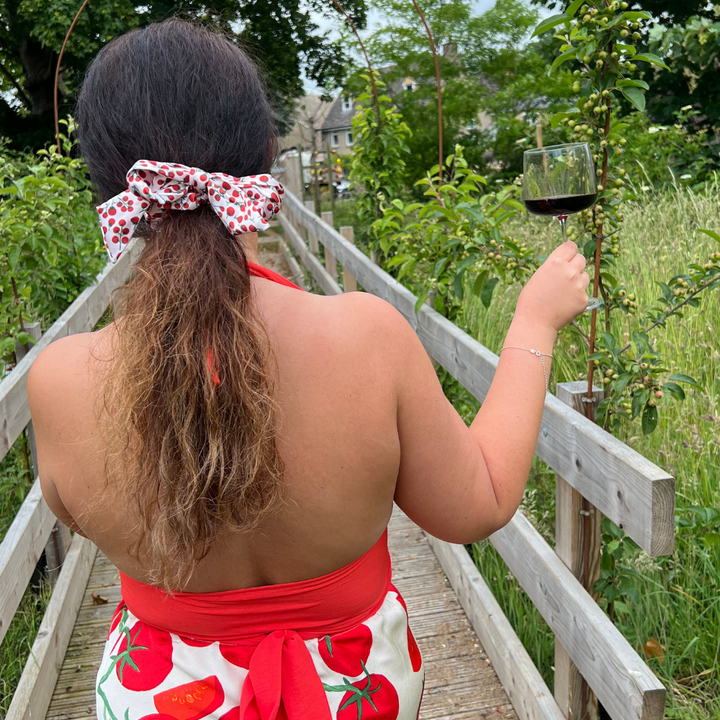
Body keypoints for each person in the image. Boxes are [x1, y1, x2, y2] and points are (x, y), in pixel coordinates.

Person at [26, 19, 589, 720]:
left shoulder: (59, 380)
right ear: (265, 159)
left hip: (164, 693)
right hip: (353, 689)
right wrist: (534, 322)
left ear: (108, 187)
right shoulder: (367, 338)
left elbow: (82, 520)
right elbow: (482, 502)